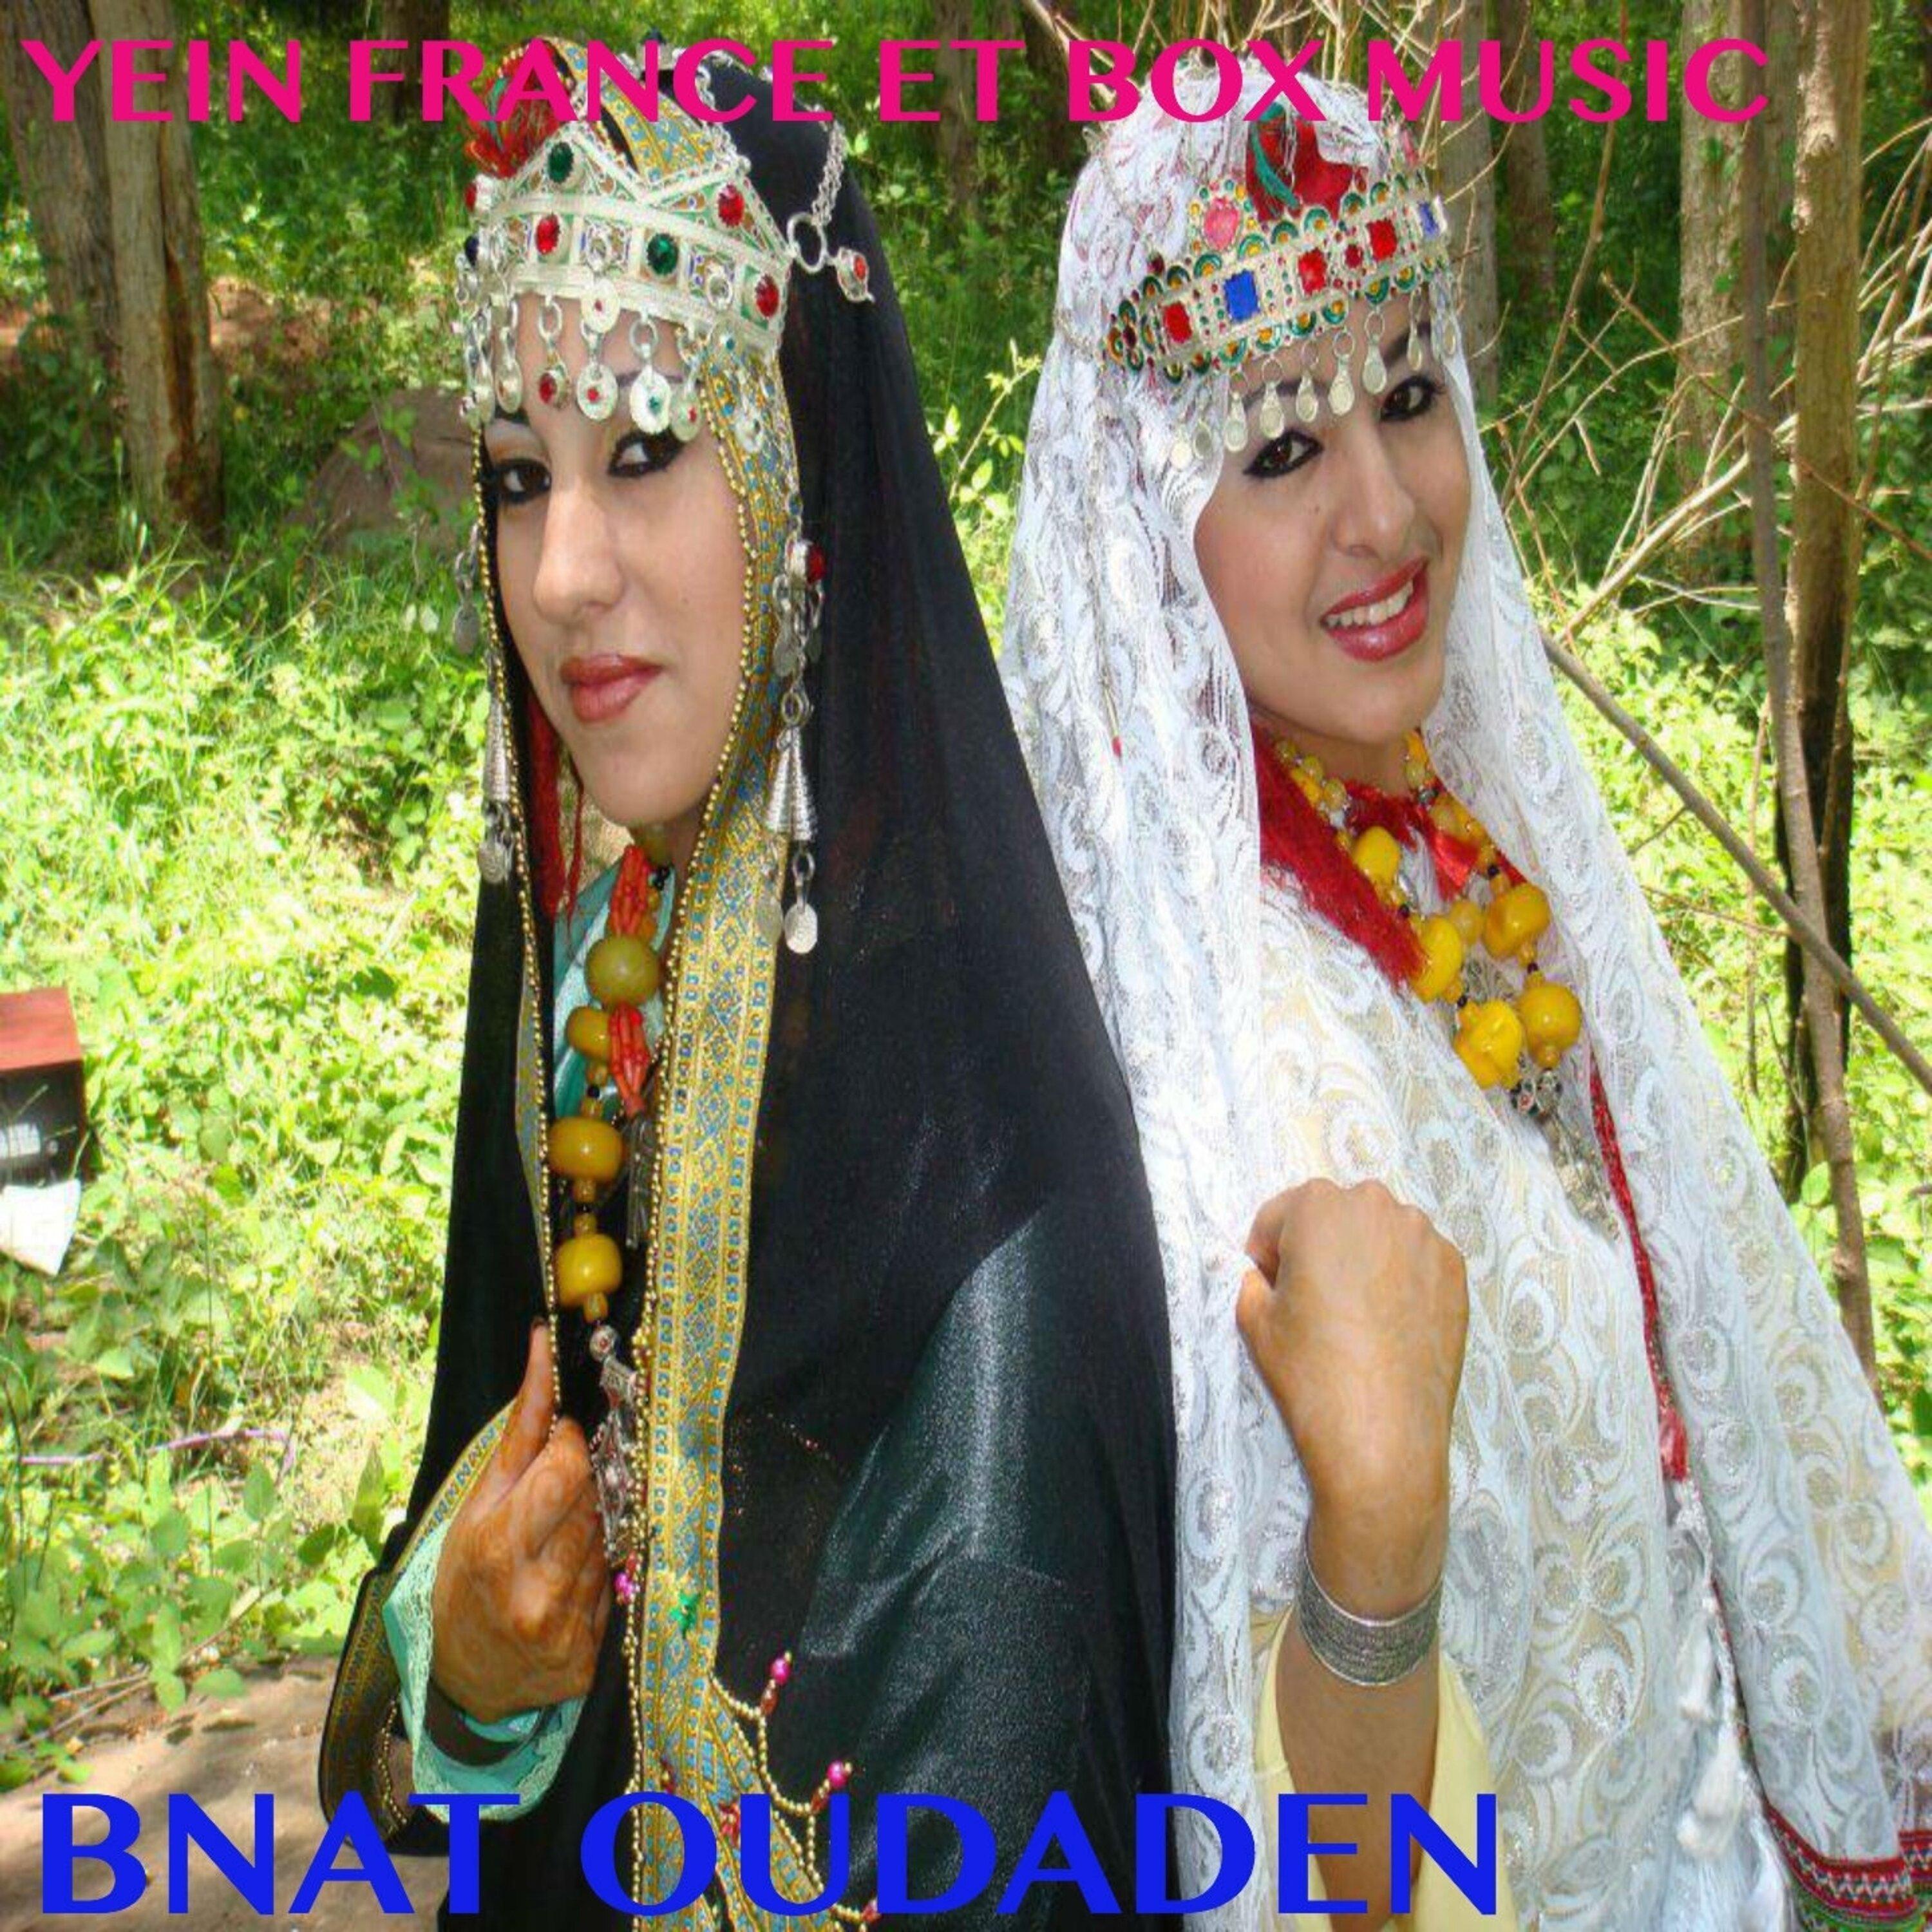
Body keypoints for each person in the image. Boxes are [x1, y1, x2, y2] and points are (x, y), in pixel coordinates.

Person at [1003, 63, 1932, 1931]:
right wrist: (1374, 1532)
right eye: (1277, 448)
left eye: (1410, 395)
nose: (1388, 512)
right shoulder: (1220, 1074)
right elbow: (1300, 1857)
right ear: (1143, 529)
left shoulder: (1440, 830)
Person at [320, 38, 1179, 1927]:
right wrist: (469, 1678)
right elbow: (429, 1736)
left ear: (804, 475)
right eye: (518, 474)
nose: (561, 573)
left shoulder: (985, 1186)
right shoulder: (597, 994)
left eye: (644, 447)